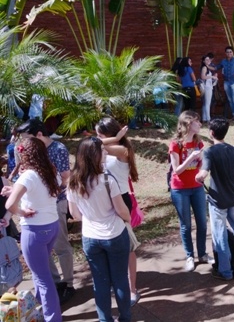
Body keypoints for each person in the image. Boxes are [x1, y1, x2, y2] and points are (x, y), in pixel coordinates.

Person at [67, 137, 131, 322]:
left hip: (90, 237)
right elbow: (121, 210)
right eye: (102, 150)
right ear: (93, 155)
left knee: (100, 282)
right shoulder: (107, 180)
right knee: (119, 279)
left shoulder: (73, 182)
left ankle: (105, 319)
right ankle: (125, 317)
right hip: (114, 235)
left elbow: (75, 214)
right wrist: (127, 219)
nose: (105, 152)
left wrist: (91, 217)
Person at [15, 119, 75, 304]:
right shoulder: (29, 152)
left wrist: (48, 191)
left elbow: (66, 177)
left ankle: (68, 283)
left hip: (54, 205)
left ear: (40, 135)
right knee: (42, 252)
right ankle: (54, 282)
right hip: (34, 208)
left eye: (28, 138)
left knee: (61, 245)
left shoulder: (58, 149)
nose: (24, 144)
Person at [4, 138, 62, 322]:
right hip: (52, 226)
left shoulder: (28, 175)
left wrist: (22, 211)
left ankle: (53, 317)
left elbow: (10, 204)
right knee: (40, 273)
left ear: (24, 154)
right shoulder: (51, 171)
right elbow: (40, 191)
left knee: (43, 278)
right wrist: (14, 189)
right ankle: (40, 309)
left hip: (35, 231)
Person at [95, 117, 147, 306]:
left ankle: (133, 289)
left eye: (100, 134)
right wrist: (114, 137)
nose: (97, 137)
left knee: (127, 247)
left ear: (110, 134)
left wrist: (115, 138)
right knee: (108, 243)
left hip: (122, 200)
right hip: (104, 200)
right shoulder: (107, 148)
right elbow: (93, 144)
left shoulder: (122, 151)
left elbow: (95, 145)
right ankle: (117, 282)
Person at [195, 117, 234, 280]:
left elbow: (203, 173)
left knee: (219, 235)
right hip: (233, 198)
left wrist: (198, 177)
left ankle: (225, 271)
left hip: (217, 201)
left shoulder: (209, 151)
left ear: (211, 133)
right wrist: (229, 176)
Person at [169, 111, 210, 271]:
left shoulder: (199, 142)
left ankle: (203, 254)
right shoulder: (175, 144)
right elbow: (177, 170)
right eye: (196, 121)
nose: (200, 124)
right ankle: (189, 256)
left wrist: (200, 162)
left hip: (197, 187)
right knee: (185, 225)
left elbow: (200, 166)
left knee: (202, 222)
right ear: (187, 124)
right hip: (180, 189)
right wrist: (190, 158)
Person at [200, 53, 218, 123]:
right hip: (207, 87)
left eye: (209, 59)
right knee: (208, 103)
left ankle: (204, 118)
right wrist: (212, 77)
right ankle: (208, 118)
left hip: (208, 86)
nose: (208, 61)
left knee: (205, 103)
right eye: (206, 60)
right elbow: (203, 77)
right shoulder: (204, 67)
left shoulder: (207, 67)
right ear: (204, 61)